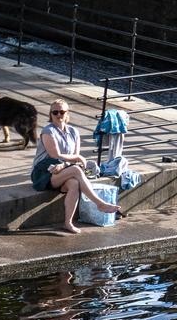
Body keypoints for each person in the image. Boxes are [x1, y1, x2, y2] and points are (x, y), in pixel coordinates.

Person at [30, 100, 121, 235]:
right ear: (50, 114)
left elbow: (75, 156)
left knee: (74, 184)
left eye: (62, 112)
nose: (58, 115)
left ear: (67, 113)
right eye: (55, 112)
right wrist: (76, 159)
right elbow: (55, 155)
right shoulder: (47, 131)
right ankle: (99, 203)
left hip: (63, 170)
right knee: (76, 169)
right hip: (44, 173)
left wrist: (70, 162)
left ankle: (68, 223)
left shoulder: (73, 131)